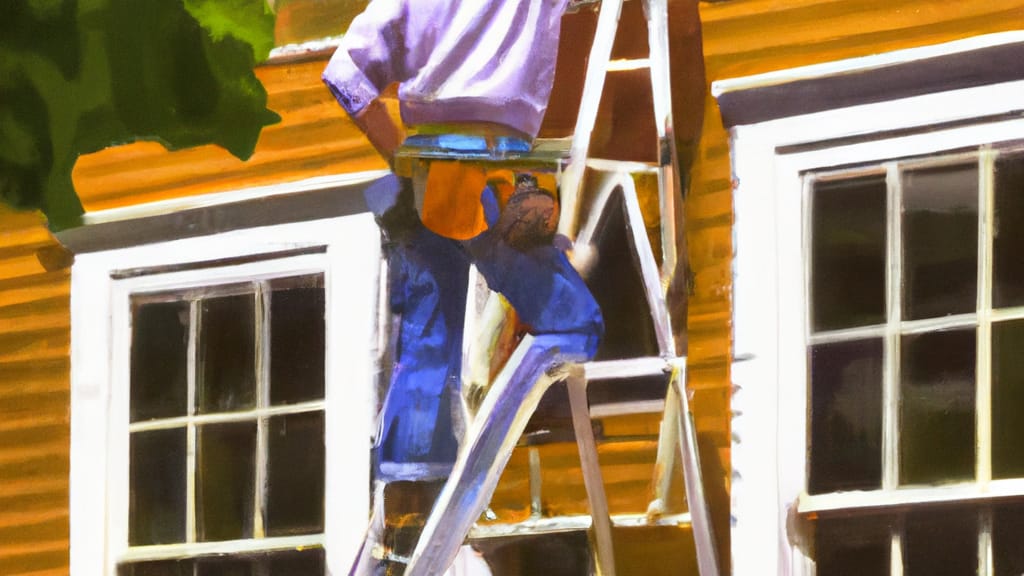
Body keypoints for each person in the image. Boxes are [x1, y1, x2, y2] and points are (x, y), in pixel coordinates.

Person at [323, 1, 603, 573]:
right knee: (576, 322)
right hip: (493, 169)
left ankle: (404, 513)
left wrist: (400, 155)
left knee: (427, 346)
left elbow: (345, 74)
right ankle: (502, 413)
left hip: (428, 173)